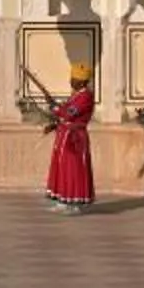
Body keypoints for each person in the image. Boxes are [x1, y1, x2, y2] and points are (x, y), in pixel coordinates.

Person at [44, 61, 96, 213]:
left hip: (75, 139)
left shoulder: (86, 96)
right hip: (64, 135)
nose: (71, 81)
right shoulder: (76, 95)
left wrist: (53, 106)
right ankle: (62, 200)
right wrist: (54, 124)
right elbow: (65, 115)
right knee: (61, 167)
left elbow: (69, 113)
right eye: (71, 78)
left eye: (75, 79)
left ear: (83, 82)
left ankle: (74, 203)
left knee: (73, 169)